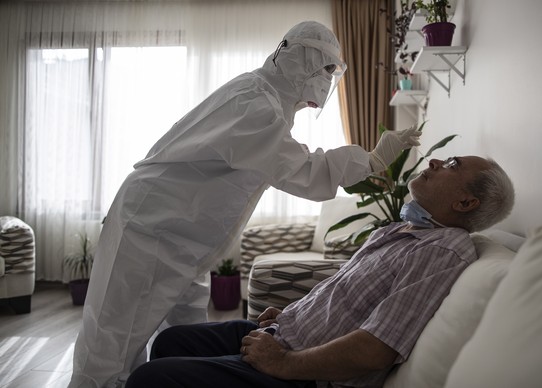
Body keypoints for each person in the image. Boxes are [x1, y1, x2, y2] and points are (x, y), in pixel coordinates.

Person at [69, 21, 422, 388]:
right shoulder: (257, 104)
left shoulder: (266, 100)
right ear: (301, 59)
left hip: (180, 235)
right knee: (112, 341)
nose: (327, 81)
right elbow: (301, 170)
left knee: (185, 332)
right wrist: (371, 159)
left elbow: (282, 163)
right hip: (152, 227)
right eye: (326, 69)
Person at [125, 155, 515, 388]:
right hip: (286, 332)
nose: (434, 162)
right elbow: (346, 290)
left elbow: (378, 348)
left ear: (466, 201)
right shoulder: (403, 230)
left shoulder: (442, 251)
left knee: (150, 379)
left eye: (451, 165)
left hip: (303, 371)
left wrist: (283, 363)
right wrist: (291, 311)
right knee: (170, 341)